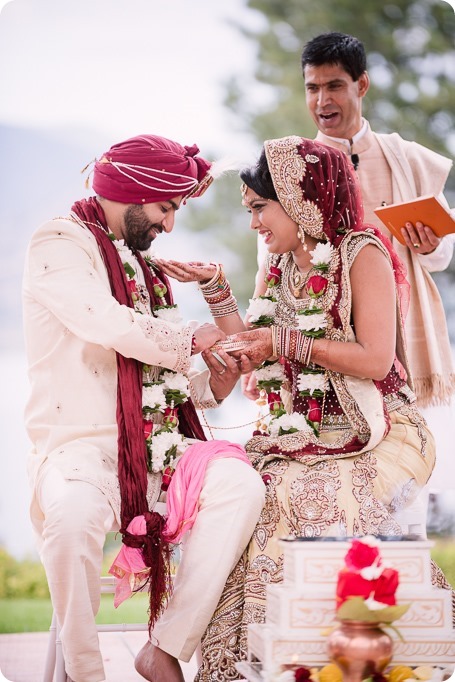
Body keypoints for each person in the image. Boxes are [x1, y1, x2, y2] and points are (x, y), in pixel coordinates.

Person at [159, 135, 442, 680]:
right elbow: (258, 353)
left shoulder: (362, 251)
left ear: (301, 197)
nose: (254, 224)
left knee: (297, 493)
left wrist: (283, 343)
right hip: (306, 431)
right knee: (247, 492)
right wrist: (217, 289)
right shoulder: (280, 261)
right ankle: (244, 665)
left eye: (260, 208)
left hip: (381, 428)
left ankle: (319, 658)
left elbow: (377, 360)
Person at [22, 134, 265, 682]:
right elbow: (104, 323)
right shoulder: (59, 243)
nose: (169, 225)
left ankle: (166, 647)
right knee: (71, 519)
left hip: (159, 453)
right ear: (134, 191)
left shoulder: (142, 270)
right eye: (166, 208)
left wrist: (215, 379)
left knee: (240, 485)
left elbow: (163, 384)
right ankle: (86, 673)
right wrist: (194, 337)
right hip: (81, 450)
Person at [252, 31, 454, 506]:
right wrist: (262, 330)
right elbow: (273, 256)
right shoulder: (293, 165)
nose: (322, 100)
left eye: (334, 86)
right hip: (329, 328)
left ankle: (393, 562)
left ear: (361, 85)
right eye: (312, 88)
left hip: (400, 325)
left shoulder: (407, 158)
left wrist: (426, 246)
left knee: (399, 473)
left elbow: (443, 255)